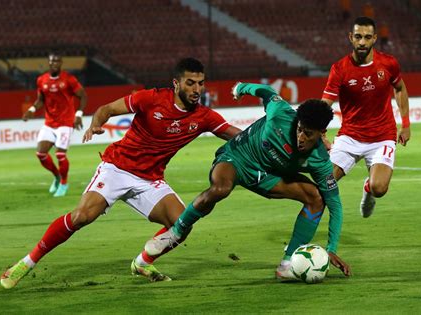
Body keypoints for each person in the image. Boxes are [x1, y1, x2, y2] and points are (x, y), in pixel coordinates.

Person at [0, 58, 241, 289]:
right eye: (191, 83)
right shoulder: (151, 98)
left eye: (201, 83)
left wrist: (264, 136)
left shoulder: (204, 116)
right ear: (176, 83)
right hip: (117, 168)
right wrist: (96, 123)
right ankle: (26, 263)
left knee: (181, 224)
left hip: (150, 180)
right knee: (81, 216)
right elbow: (107, 109)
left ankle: (143, 263)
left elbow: (236, 134)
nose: (197, 89)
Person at [145, 82, 351, 279]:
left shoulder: (320, 161)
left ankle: (287, 265)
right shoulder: (280, 113)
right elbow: (267, 91)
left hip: (267, 177)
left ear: (322, 133)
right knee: (221, 187)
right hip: (237, 157)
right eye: (299, 129)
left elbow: (335, 204)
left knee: (316, 198)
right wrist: (241, 88)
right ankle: (175, 231)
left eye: (308, 134)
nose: (301, 137)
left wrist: (332, 248)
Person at [321, 16, 410, 218]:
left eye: (367, 37)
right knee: (324, 185)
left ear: (375, 38)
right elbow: (325, 104)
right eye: (358, 37)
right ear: (351, 37)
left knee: (379, 188)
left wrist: (405, 124)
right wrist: (321, 133)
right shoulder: (340, 69)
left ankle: (368, 190)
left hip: (382, 137)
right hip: (350, 136)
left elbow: (400, 88)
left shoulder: (388, 63)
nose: (362, 42)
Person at [22, 53, 87, 197]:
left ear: (61, 63)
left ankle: (64, 183)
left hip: (65, 123)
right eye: (52, 61)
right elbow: (40, 100)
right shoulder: (41, 80)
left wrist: (78, 115)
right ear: (49, 63)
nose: (55, 63)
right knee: (40, 153)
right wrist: (32, 109)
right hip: (49, 123)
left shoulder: (69, 80)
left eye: (57, 61)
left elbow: (83, 96)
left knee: (60, 155)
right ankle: (57, 176)